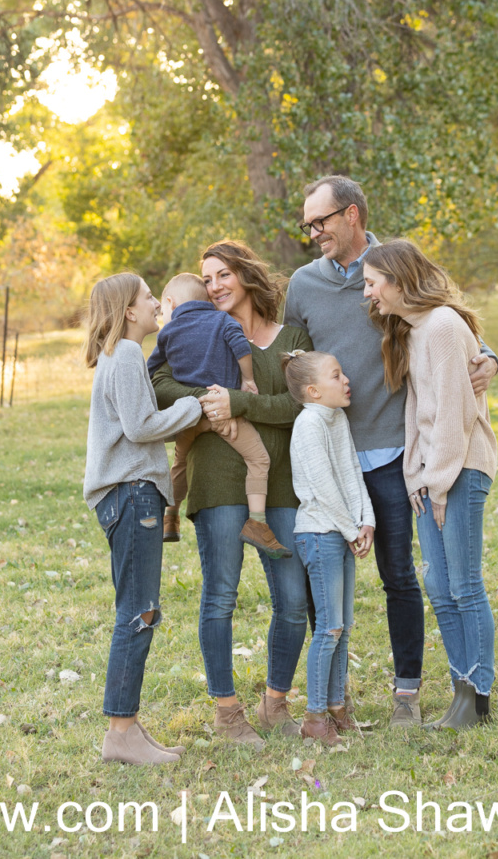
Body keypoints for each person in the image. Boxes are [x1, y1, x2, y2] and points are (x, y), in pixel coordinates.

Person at [284, 175, 498, 727]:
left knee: (403, 576)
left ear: (351, 214)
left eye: (320, 221)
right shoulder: (303, 285)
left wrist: (489, 354)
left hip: (399, 453)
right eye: (307, 224)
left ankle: (411, 693)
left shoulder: (393, 268)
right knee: (335, 581)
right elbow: (290, 362)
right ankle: (332, 700)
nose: (313, 233)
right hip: (342, 456)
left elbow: (447, 319)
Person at [152, 241, 312, 747]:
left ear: (244, 276)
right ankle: (227, 713)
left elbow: (300, 402)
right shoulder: (190, 332)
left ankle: (275, 702)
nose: (216, 285)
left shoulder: (291, 336)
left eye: (224, 275)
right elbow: (157, 383)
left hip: (280, 481)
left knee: (291, 598)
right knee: (220, 595)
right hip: (217, 477)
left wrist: (239, 401)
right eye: (208, 278)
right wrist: (205, 400)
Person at [363, 239, 498, 727]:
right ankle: (462, 689)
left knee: (463, 584)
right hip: (432, 476)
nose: (368, 293)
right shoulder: (415, 330)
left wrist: (438, 484)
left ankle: (477, 696)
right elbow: (418, 416)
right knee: (439, 586)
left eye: (373, 283)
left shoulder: (441, 326)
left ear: (398, 281)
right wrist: (416, 479)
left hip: (461, 466)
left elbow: (456, 416)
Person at [82, 273, 203, 764]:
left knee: (140, 609)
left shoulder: (120, 356)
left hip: (127, 495)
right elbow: (140, 427)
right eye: (149, 297)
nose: (157, 303)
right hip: (132, 494)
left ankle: (127, 727)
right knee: (138, 612)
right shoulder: (127, 354)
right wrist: (196, 407)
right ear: (129, 312)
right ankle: (120, 732)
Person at [147, 272, 290, 557]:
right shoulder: (223, 320)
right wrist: (247, 380)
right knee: (259, 459)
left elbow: (150, 371)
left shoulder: (167, 332)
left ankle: (170, 516)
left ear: (170, 303)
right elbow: (240, 347)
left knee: (180, 461)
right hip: (226, 412)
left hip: (192, 415)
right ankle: (258, 524)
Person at [282, 349, 376, 745]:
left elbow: (352, 471)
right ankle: (315, 717)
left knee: (344, 626)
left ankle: (338, 706)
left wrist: (366, 519)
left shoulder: (336, 418)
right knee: (329, 628)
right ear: (313, 391)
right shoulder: (308, 424)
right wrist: (349, 528)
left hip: (342, 529)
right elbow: (322, 486)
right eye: (336, 375)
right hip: (320, 534)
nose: (346, 380)